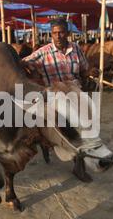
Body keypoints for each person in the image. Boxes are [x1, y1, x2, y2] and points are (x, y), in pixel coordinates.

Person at [22, 18, 94, 182]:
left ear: (68, 33)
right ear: (51, 34)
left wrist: (91, 73)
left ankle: (78, 165)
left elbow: (84, 70)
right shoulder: (43, 52)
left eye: (61, 32)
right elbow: (23, 63)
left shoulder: (76, 49)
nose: (58, 36)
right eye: (54, 33)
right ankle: (68, 154)